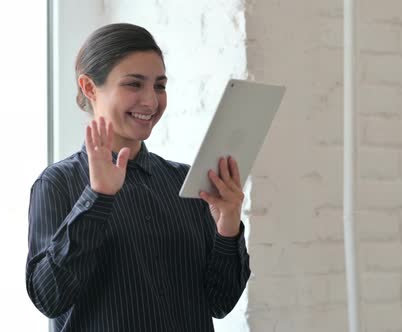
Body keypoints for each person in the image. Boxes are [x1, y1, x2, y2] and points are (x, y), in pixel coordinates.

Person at [25, 23, 250, 332]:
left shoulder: (184, 182)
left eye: (159, 85)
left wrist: (228, 226)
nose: (151, 101)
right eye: (134, 84)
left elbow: (219, 302)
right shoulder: (57, 183)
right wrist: (97, 197)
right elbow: (48, 298)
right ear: (90, 88)